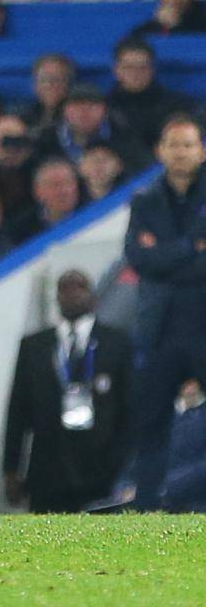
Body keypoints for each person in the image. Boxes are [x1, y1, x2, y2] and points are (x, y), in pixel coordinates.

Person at [125, 115, 206, 510]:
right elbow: (139, 258)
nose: (181, 152)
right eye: (173, 144)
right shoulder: (144, 199)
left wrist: (164, 252)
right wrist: (192, 247)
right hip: (160, 330)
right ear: (160, 150)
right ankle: (145, 508)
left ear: (202, 150)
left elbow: (154, 258)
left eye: (188, 144)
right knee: (150, 424)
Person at [4, 270, 133, 513]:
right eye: (65, 288)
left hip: (102, 468)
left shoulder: (116, 343)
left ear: (93, 295)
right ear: (56, 297)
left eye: (79, 288)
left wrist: (125, 466)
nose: (72, 294)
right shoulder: (34, 347)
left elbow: (129, 411)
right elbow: (17, 411)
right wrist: (10, 469)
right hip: (48, 469)